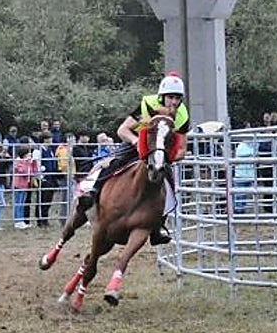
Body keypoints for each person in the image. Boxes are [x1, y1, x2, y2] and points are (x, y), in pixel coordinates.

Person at [70, 72, 190, 245]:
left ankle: (157, 227)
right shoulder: (147, 106)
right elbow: (122, 130)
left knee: (168, 185)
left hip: (159, 153)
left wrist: (166, 157)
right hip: (136, 143)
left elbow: (182, 149)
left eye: (177, 98)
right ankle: (92, 192)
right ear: (162, 97)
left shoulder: (182, 116)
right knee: (114, 163)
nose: (173, 102)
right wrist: (136, 143)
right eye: (170, 97)